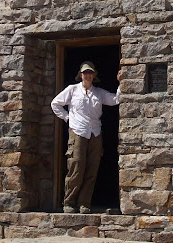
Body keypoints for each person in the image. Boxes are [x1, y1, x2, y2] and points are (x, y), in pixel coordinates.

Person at [51, 61, 122, 214]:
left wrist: (121, 83)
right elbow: (55, 103)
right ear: (80, 75)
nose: (87, 75)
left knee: (92, 168)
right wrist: (67, 118)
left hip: (95, 132)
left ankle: (84, 203)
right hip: (78, 131)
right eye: (85, 72)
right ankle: (69, 202)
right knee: (76, 166)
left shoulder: (99, 92)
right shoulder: (72, 90)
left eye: (90, 72)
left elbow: (115, 99)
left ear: (94, 75)